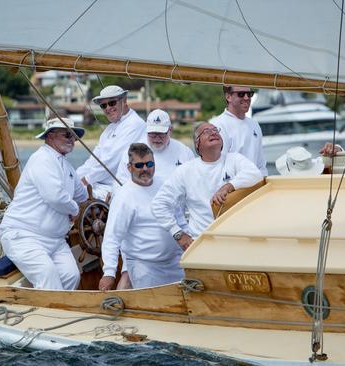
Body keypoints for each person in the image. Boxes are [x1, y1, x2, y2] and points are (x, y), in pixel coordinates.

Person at [0, 118, 87, 290]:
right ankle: (56, 315)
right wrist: (75, 209)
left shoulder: (67, 168)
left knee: (72, 276)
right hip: (25, 236)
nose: (72, 139)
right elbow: (55, 197)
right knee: (48, 276)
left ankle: (62, 312)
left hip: (56, 240)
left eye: (74, 136)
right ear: (50, 137)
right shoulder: (41, 159)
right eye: (67, 134)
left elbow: (82, 195)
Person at [152, 122, 263, 251]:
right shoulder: (185, 171)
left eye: (215, 130)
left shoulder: (234, 159)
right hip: (202, 243)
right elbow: (159, 204)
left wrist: (228, 186)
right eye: (206, 131)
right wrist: (177, 233)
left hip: (237, 241)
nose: (213, 132)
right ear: (197, 144)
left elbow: (256, 174)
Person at [99, 143, 184, 290]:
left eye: (149, 164)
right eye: (139, 165)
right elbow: (112, 237)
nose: (145, 169)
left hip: (175, 263)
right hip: (144, 267)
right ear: (129, 167)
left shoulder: (165, 186)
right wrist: (109, 272)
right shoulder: (123, 197)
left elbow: (180, 220)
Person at [76, 85, 146, 200]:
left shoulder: (135, 124)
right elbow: (93, 160)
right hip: (99, 185)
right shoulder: (109, 130)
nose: (108, 108)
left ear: (124, 100)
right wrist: (75, 178)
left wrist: (85, 180)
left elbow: (112, 161)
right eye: (103, 105)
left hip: (119, 188)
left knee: (73, 195)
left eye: (112, 103)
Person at [113, 109, 195, 189]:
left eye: (161, 134)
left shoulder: (185, 152)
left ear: (170, 130)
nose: (157, 138)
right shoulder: (130, 152)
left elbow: (192, 183)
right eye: (153, 134)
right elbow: (120, 184)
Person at [210, 85, 268, 175]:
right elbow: (218, 168)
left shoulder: (254, 124)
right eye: (241, 94)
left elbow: (261, 164)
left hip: (256, 186)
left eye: (249, 94)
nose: (246, 98)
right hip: (234, 187)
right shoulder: (217, 125)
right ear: (228, 97)